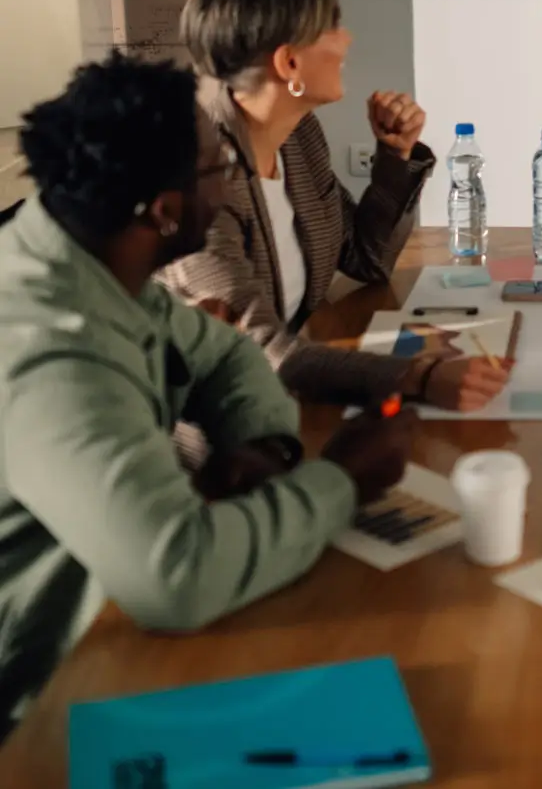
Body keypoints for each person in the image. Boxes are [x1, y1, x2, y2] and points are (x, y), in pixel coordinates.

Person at [0, 54, 417, 741]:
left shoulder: (85, 253)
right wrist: (341, 479)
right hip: (44, 706)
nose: (230, 186)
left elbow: (224, 354)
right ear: (165, 211)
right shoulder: (52, 352)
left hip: (115, 627)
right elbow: (178, 578)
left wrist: (262, 444)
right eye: (218, 168)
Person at [162, 0, 508, 412]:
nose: (347, 40)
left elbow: (366, 258)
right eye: (333, 27)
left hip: (300, 392)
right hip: (229, 424)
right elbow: (255, 349)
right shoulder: (201, 183)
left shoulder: (297, 136)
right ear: (289, 63)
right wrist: (417, 376)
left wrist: (395, 156)